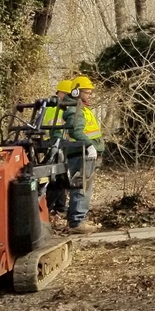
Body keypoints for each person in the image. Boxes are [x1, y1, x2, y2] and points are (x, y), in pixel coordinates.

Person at [64, 76, 103, 235]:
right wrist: (89, 145)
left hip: (84, 154)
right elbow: (76, 131)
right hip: (81, 154)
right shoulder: (75, 109)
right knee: (82, 187)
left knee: (82, 187)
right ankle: (77, 222)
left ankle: (77, 219)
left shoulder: (81, 107)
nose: (90, 95)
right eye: (87, 92)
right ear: (76, 92)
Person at [42, 79, 76, 216]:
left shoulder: (53, 106)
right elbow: (57, 131)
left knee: (61, 174)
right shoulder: (56, 108)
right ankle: (47, 207)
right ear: (61, 93)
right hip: (55, 144)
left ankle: (60, 206)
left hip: (54, 144)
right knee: (57, 176)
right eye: (68, 95)